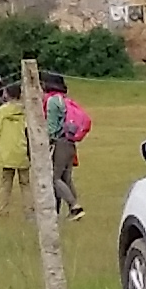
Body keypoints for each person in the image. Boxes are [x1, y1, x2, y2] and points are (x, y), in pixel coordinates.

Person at [0, 76, 31, 210]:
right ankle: (29, 209)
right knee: (25, 183)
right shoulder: (25, 111)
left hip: (6, 151)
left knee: (6, 183)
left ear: (6, 94)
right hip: (22, 151)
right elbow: (29, 131)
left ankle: (3, 209)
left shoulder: (0, 111)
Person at [49, 85, 95, 217]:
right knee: (66, 178)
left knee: (54, 178)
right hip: (70, 143)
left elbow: (52, 128)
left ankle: (74, 206)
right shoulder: (66, 101)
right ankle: (71, 210)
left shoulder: (53, 101)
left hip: (60, 143)